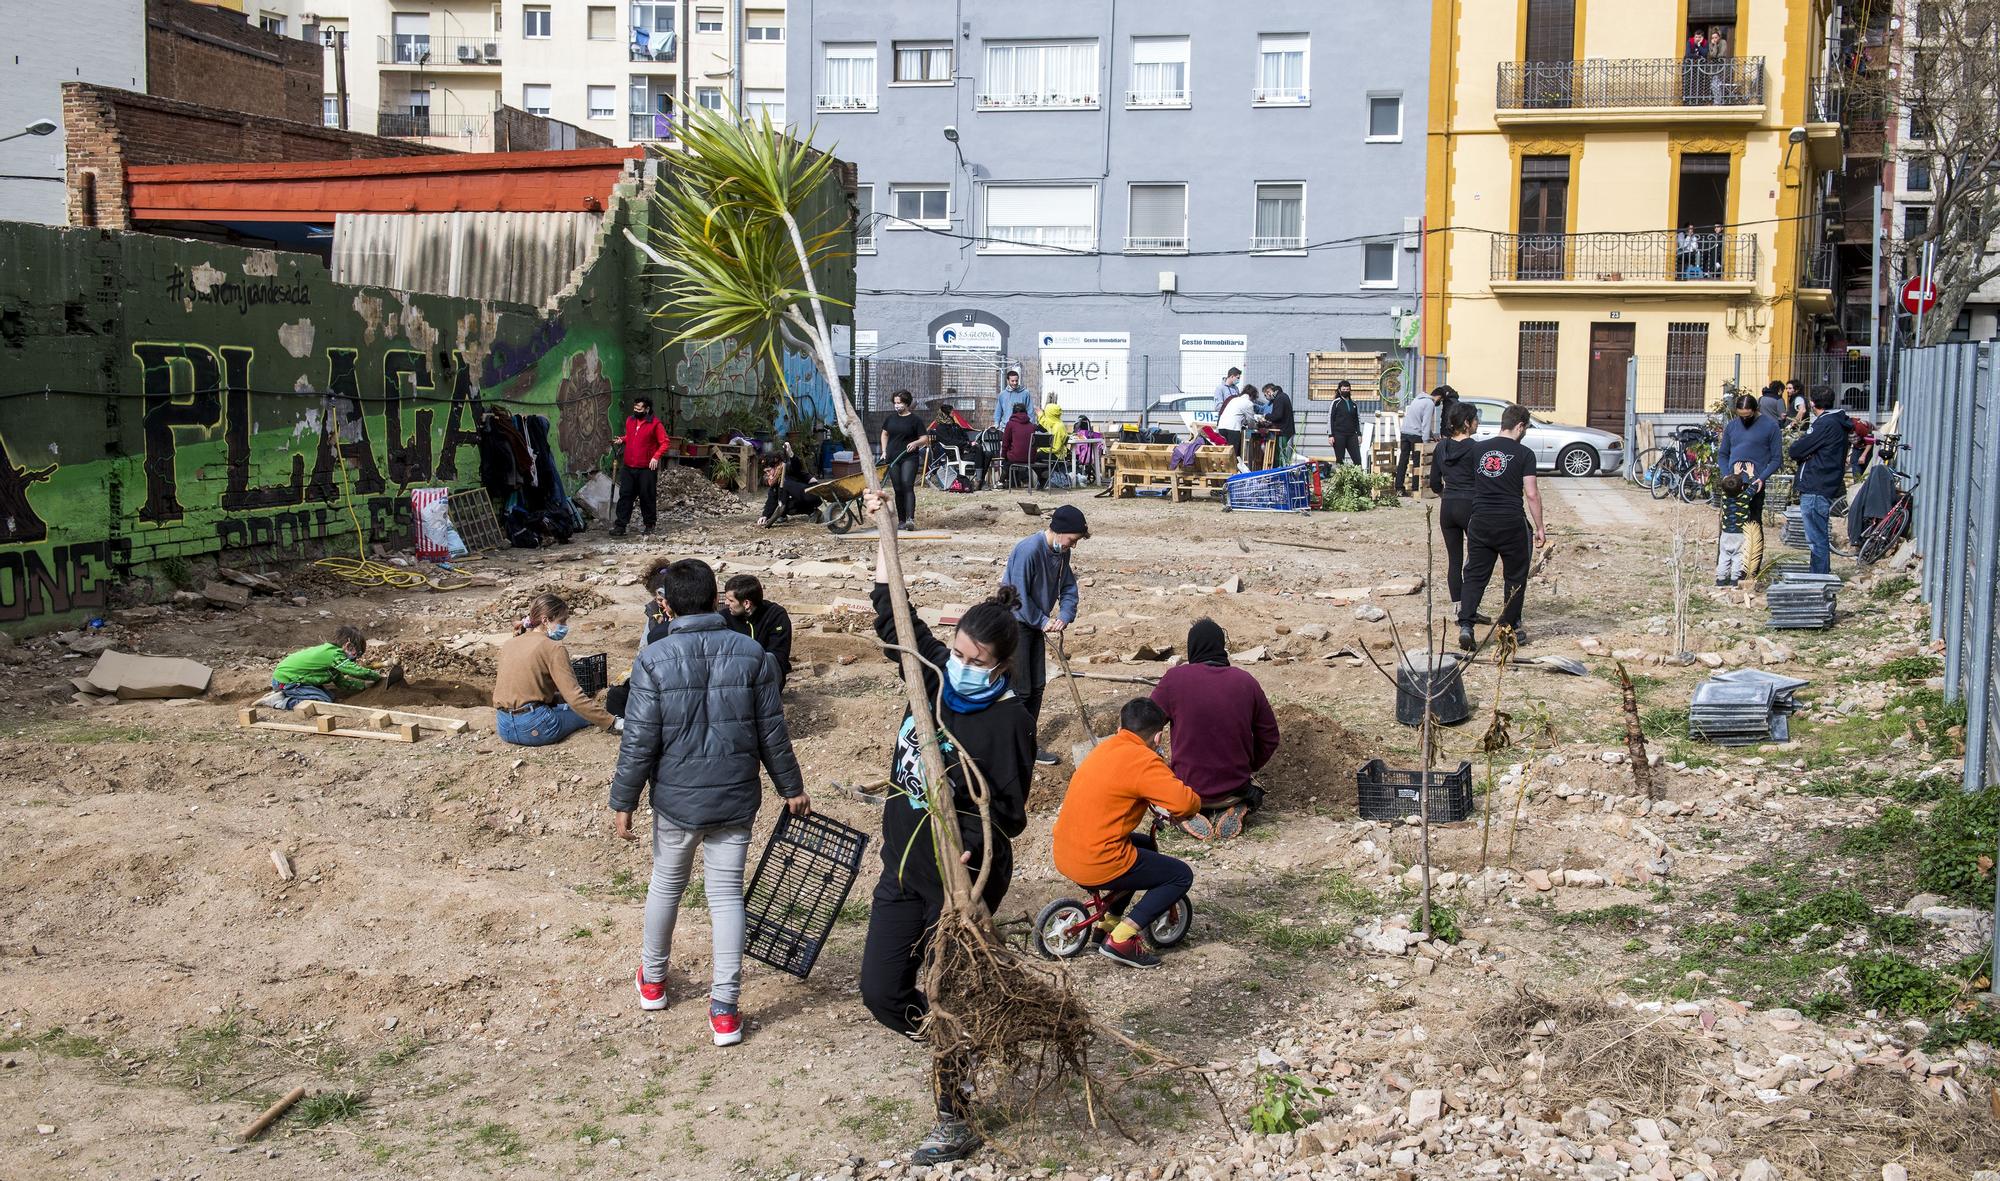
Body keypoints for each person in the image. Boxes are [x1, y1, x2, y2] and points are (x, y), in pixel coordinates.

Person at [857, 488, 1034, 1165]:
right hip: (902, 862)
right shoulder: (929, 673)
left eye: (975, 659)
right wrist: (886, 525)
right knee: (880, 989)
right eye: (957, 648)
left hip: (961, 876)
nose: (961, 663)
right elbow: (888, 610)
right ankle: (955, 1040)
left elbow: (1010, 813)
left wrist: (969, 830)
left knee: (952, 987)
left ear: (1000, 664)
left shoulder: (1009, 718)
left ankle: (952, 1111)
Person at [611, 559, 807, 1048]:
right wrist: (791, 787)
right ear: (716, 596)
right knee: (725, 897)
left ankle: (653, 983)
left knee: (667, 885)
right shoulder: (753, 654)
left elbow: (639, 741)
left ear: (666, 604)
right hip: (736, 798)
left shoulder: (653, 658)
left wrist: (624, 799)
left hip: (676, 802)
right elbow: (773, 734)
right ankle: (725, 1009)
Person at [1051, 698, 1203, 969]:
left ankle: (1107, 922)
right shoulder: (1143, 760)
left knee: (1143, 847)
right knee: (1180, 875)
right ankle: (1122, 939)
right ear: (1158, 736)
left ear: (1121, 725)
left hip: (1066, 851)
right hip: (1097, 860)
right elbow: (1186, 803)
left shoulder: (1103, 749)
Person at [1149, 619, 1280, 840]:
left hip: (1187, 792)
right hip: (1234, 791)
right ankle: (1235, 808)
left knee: (1154, 795)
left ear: (1192, 647)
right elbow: (1270, 736)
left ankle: (1183, 816)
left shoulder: (1174, 679)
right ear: (1221, 647)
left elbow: (1146, 726)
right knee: (1247, 792)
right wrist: (1249, 765)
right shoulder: (1246, 681)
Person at [1457, 405, 1546, 651]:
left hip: (1481, 520)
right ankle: (1509, 627)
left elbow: (1467, 484)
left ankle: (1466, 624)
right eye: (1525, 428)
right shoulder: (1525, 454)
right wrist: (1539, 527)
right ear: (1520, 426)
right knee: (1515, 576)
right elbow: (1531, 493)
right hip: (1511, 522)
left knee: (1475, 574)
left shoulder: (1478, 449)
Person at [1003, 505, 1086, 767]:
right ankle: (1012, 746)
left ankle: (1027, 744)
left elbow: (1069, 587)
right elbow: (1016, 598)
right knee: (1022, 689)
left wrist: (1065, 614)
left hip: (1037, 624)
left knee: (1037, 686)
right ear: (1059, 532)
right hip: (1015, 624)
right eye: (1072, 540)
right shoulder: (1029, 550)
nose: (1073, 546)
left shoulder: (1061, 554)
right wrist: (1042, 621)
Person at [493, 593, 617, 745]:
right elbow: (575, 698)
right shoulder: (553, 648)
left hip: (504, 727)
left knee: (564, 706)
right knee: (583, 713)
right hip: (536, 728)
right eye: (562, 621)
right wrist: (612, 722)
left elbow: (526, 690)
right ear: (545, 620)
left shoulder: (509, 644)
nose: (565, 626)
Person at [1430, 403, 1490, 625]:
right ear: (1467, 423)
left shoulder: (1441, 447)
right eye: (1475, 419)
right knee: (1475, 561)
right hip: (1471, 505)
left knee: (1454, 560)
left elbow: (1435, 483)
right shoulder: (1476, 448)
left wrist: (1448, 495)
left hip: (1448, 507)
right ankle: (1470, 610)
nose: (1478, 423)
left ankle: (1459, 608)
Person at [1787, 387, 1853, 576]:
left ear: (1812, 403)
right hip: (1823, 483)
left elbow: (1796, 450)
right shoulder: (1835, 423)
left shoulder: (1825, 424)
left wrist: (1806, 452)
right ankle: (1818, 573)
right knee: (1817, 536)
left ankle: (1819, 576)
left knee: (1816, 537)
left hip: (1816, 485)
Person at [1716, 392, 1783, 577]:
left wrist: (1761, 477)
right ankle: (1724, 568)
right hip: (1732, 484)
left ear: (1755, 410)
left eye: (1748, 416)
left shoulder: (1770, 426)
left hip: (1755, 484)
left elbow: (1776, 459)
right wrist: (1726, 475)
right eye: (1740, 416)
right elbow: (1723, 454)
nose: (1744, 420)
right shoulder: (1732, 426)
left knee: (1753, 524)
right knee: (1728, 525)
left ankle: (1750, 568)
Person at [268, 625, 387, 710]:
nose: (356, 658)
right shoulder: (334, 655)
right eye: (358, 653)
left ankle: (286, 694)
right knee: (323, 700)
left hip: (295, 678)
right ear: (348, 646)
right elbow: (354, 670)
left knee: (331, 696)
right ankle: (281, 702)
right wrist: (376, 677)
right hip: (286, 680)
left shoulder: (333, 661)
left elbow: (342, 683)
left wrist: (364, 686)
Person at [611, 397, 672, 537]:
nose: (636, 411)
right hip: (628, 466)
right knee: (625, 495)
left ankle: (649, 525)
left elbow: (665, 442)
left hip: (646, 468)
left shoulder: (655, 424)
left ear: (647, 409)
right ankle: (620, 525)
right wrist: (622, 439)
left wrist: (656, 457)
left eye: (639, 409)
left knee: (647, 496)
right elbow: (631, 436)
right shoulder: (630, 420)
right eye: (635, 408)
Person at [721, 573, 793, 691]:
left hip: (766, 678)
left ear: (746, 603)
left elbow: (778, 659)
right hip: (733, 679)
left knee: (771, 659)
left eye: (731, 600)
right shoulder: (724, 617)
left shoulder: (775, 616)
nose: (726, 603)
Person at [881, 390, 930, 532]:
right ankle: (901, 520)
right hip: (893, 458)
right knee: (897, 489)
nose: (897, 406)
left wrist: (915, 443)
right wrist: (884, 451)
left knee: (907, 485)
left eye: (899, 403)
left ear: (907, 403)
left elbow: (924, 439)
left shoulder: (915, 420)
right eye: (895, 403)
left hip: (909, 457)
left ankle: (910, 519)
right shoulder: (890, 419)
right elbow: (884, 434)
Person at [1394, 385, 1442, 495]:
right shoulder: (1430, 404)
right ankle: (1416, 488)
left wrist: (1431, 434)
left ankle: (1399, 488)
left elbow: (1418, 420)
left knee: (1403, 460)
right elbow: (1425, 424)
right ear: (1439, 397)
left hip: (1405, 432)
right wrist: (1425, 444)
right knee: (1418, 462)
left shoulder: (1418, 399)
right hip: (1416, 435)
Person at [930, 401, 987, 490]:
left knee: (988, 454)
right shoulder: (940, 428)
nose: (954, 414)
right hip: (955, 453)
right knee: (979, 449)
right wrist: (966, 444)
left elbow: (965, 436)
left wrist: (968, 444)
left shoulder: (955, 425)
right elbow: (949, 442)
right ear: (946, 414)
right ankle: (980, 481)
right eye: (952, 412)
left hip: (965, 450)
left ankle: (979, 480)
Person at [757, 457, 822, 528]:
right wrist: (765, 515)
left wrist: (792, 455)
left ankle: (813, 512)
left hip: (813, 493)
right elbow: (772, 498)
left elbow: (796, 466)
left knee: (785, 486)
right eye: (766, 472)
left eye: (769, 471)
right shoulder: (776, 479)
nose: (768, 474)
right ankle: (782, 515)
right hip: (799, 495)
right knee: (786, 502)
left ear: (776, 466)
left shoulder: (787, 468)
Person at [1714, 473, 1751, 587]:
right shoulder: (1745, 497)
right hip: (1740, 534)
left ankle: (1720, 579)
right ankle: (1734, 579)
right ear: (1742, 488)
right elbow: (1753, 488)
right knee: (1738, 556)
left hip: (1726, 534)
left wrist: (1732, 476)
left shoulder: (1725, 497)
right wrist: (1749, 476)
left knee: (1724, 555)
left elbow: (1725, 484)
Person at [1217, 384, 1259, 469]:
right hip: (1233, 428)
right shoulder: (1248, 403)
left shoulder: (1234, 400)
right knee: (1233, 454)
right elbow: (1251, 422)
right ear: (1252, 396)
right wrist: (1256, 426)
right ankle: (1232, 473)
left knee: (1223, 453)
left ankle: (1221, 472)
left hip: (1221, 426)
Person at [1000, 401, 1037, 486]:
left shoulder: (1010, 424)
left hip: (1015, 458)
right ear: (1025, 412)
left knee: (1007, 460)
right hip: (1030, 458)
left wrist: (1003, 455)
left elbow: (1005, 442)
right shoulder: (1031, 425)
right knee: (1017, 455)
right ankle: (1025, 480)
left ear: (1013, 412)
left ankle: (1001, 481)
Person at [1327, 380, 1363, 466]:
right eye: (1344, 389)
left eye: (1347, 389)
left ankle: (1358, 478)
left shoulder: (1354, 404)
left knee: (1357, 460)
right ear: (1339, 390)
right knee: (1340, 460)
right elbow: (1330, 418)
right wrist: (1330, 435)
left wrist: (1359, 434)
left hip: (1352, 435)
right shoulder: (1336, 403)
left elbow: (1357, 420)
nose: (1346, 391)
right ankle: (1340, 477)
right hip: (1339, 435)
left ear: (1350, 390)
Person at [1264, 383, 1297, 467]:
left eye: (1266, 394)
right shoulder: (1283, 396)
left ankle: (1282, 470)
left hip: (1283, 430)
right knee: (1282, 452)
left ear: (1269, 391)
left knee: (1281, 453)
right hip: (1286, 429)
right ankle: (1282, 468)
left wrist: (1266, 416)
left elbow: (1277, 415)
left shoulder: (1279, 398)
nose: (1266, 397)